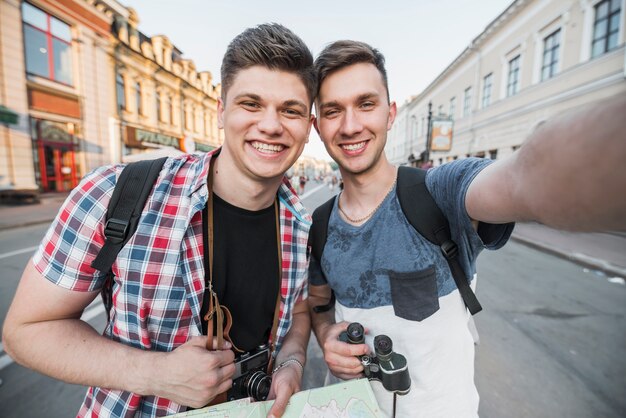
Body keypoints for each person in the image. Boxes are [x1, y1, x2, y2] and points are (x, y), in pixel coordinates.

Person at [2, 23, 316, 418]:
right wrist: (157, 374)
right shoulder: (117, 192)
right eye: (250, 104)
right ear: (221, 112)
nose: (271, 125)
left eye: (290, 110)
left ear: (309, 126)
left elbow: (297, 313)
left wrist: (292, 362)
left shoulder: (299, 223)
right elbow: (24, 332)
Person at [307, 40, 626, 417]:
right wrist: (326, 334)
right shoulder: (321, 223)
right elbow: (319, 304)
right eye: (333, 111)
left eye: (365, 104)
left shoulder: (439, 192)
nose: (350, 125)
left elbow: (527, 176)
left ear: (390, 114)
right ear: (317, 126)